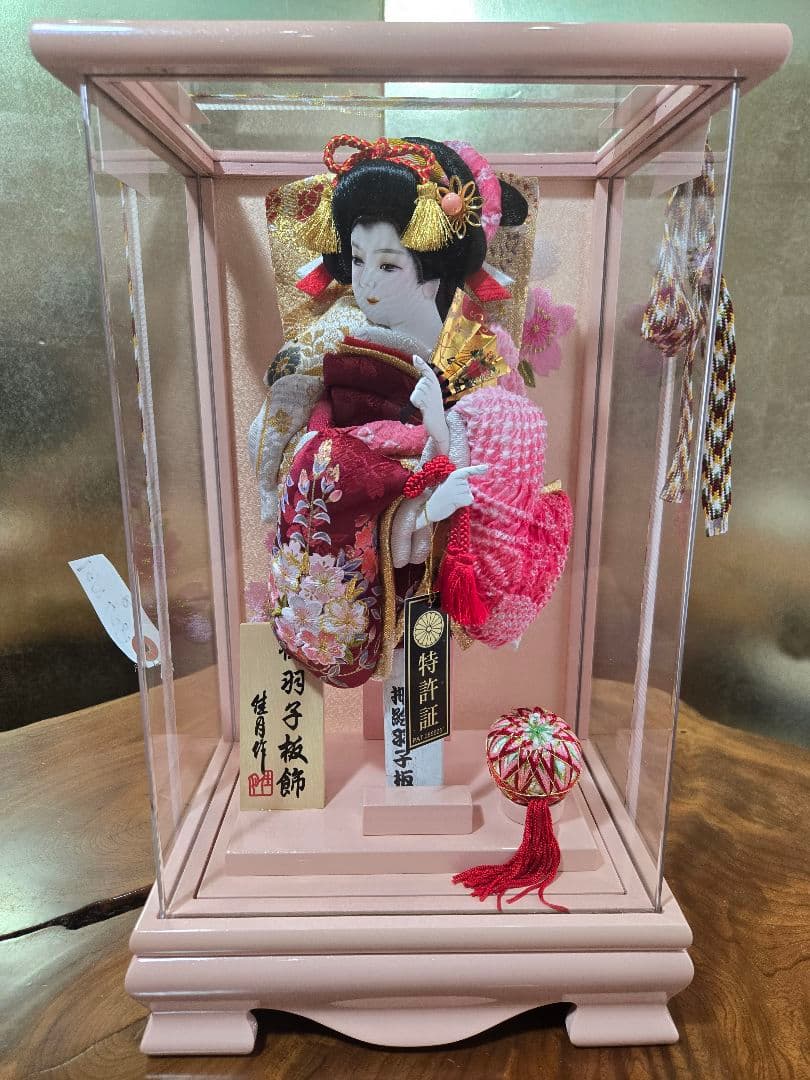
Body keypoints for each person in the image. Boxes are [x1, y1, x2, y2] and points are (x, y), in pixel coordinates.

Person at [249, 135, 571, 689]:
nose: (366, 281)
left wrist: (443, 440)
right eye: (357, 260)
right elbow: (294, 447)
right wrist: (403, 491)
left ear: (433, 271)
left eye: (388, 264)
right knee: (333, 464)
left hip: (440, 543)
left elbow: (495, 462)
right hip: (373, 530)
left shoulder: (479, 352)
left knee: (421, 673)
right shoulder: (331, 340)